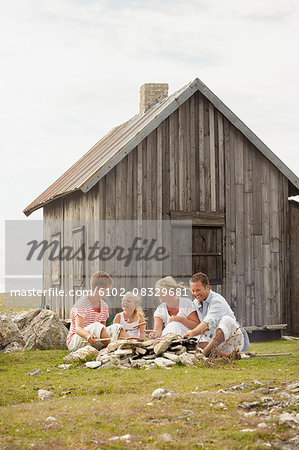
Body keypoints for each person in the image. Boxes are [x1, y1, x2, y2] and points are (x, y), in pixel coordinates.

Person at [183, 272, 250, 357]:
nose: (195, 294)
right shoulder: (196, 303)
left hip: (231, 341)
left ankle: (203, 354)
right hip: (213, 342)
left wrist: (192, 333)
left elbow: (207, 323)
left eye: (198, 290)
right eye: (193, 291)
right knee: (193, 342)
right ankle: (226, 355)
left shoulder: (217, 301)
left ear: (207, 287)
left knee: (227, 320)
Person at [67, 271, 128, 351]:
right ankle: (116, 348)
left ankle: (131, 346)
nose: (109, 293)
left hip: (94, 340)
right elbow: (78, 329)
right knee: (96, 325)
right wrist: (87, 335)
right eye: (108, 290)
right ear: (99, 289)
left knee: (117, 327)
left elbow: (103, 328)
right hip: (76, 341)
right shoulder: (82, 304)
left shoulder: (104, 306)